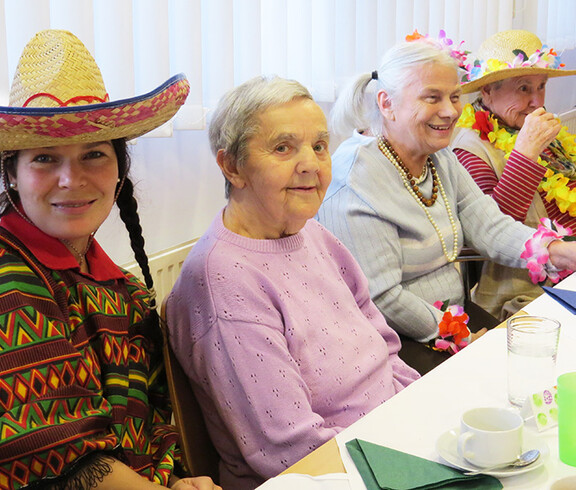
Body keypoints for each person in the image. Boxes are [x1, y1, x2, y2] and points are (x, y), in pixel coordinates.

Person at [166, 75, 420, 490]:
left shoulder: (311, 233)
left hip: (392, 440)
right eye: (283, 147)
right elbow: (289, 450)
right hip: (335, 476)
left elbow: (385, 347)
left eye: (319, 146)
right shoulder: (223, 281)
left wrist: (427, 412)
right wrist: (411, 466)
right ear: (232, 166)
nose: (311, 164)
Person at [0, 30, 219, 490]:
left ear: (120, 169)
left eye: (93, 155)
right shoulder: (8, 282)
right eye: (44, 158)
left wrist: (176, 480)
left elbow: (153, 425)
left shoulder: (126, 292)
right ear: (12, 176)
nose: (70, 179)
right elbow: (66, 459)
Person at [315, 31, 576, 372]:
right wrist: (462, 335)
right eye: (432, 98)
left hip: (454, 316)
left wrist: (561, 250)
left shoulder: (439, 157)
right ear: (386, 103)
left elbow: (489, 224)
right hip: (390, 340)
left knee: (550, 355)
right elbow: (381, 296)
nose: (450, 111)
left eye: (454, 96)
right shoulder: (356, 180)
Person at [452, 29, 576, 320]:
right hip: (536, 286)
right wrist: (525, 154)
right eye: (523, 88)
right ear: (487, 91)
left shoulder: (547, 136)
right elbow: (494, 230)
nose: (537, 101)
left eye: (541, 86)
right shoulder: (469, 148)